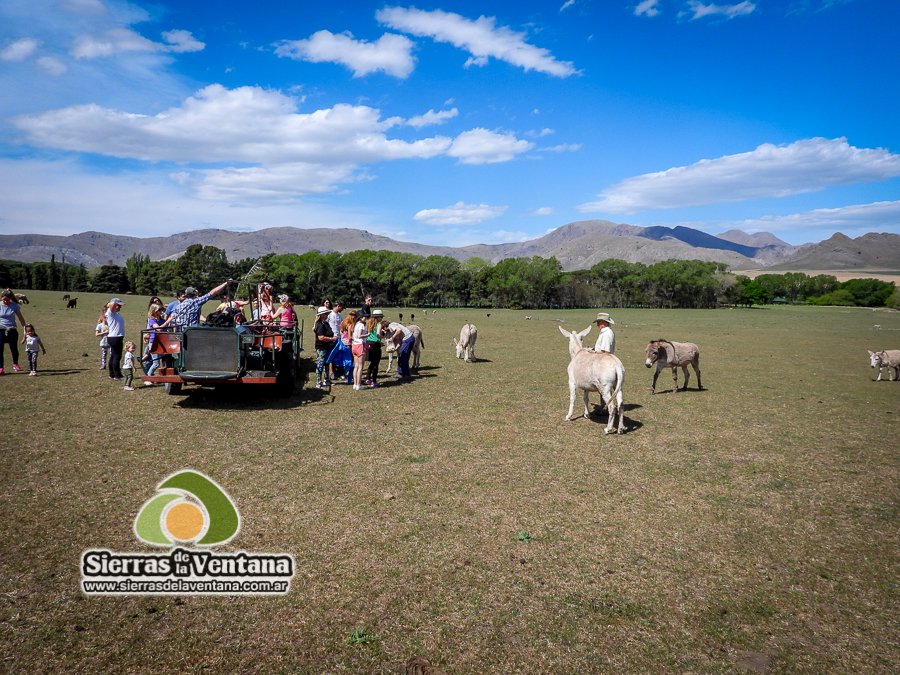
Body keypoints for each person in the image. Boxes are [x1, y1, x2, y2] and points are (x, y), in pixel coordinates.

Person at [156, 281, 230, 329]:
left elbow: (174, 321)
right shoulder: (195, 302)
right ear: (194, 294)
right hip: (192, 334)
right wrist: (225, 284)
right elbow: (212, 293)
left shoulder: (178, 306)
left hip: (181, 334)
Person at [0, 289, 27, 375]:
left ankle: (15, 364)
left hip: (12, 330)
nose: (5, 301)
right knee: (0, 350)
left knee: (14, 349)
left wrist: (25, 329)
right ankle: (1, 367)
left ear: (10, 299)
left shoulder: (14, 305)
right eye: (4, 299)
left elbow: (21, 318)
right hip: (1, 330)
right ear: (1, 298)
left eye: (7, 300)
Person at [313, 306, 336, 388]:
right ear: (322, 315)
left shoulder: (325, 323)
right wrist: (331, 338)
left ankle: (327, 380)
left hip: (327, 346)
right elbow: (321, 337)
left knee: (326, 363)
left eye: (327, 313)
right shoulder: (319, 325)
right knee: (320, 364)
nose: (327, 315)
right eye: (325, 313)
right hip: (321, 347)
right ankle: (318, 381)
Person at [106, 297, 126, 381]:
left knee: (113, 356)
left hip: (115, 337)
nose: (120, 307)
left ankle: (112, 374)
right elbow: (112, 304)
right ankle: (117, 375)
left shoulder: (115, 313)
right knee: (117, 356)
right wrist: (111, 303)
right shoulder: (111, 313)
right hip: (115, 338)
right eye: (119, 305)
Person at [144, 303, 165, 382]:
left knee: (166, 359)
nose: (161, 311)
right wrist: (168, 321)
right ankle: (148, 378)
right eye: (159, 310)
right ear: (154, 311)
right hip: (153, 343)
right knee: (156, 363)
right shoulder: (151, 320)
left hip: (162, 343)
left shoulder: (162, 320)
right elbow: (158, 329)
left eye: (161, 309)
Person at [365, 309, 385, 387]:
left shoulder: (369, 323)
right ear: (378, 317)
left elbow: (370, 335)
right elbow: (377, 334)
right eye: (381, 317)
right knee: (376, 363)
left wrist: (380, 342)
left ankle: (367, 378)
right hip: (376, 345)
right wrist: (383, 336)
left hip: (369, 343)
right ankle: (374, 381)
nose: (382, 319)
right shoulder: (379, 324)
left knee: (372, 362)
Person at [351, 312, 369, 390]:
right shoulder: (361, 325)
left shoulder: (356, 324)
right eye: (365, 317)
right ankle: (359, 384)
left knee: (356, 366)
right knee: (360, 366)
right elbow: (359, 335)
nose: (366, 318)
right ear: (361, 317)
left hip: (354, 345)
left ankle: (355, 384)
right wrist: (368, 334)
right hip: (360, 345)